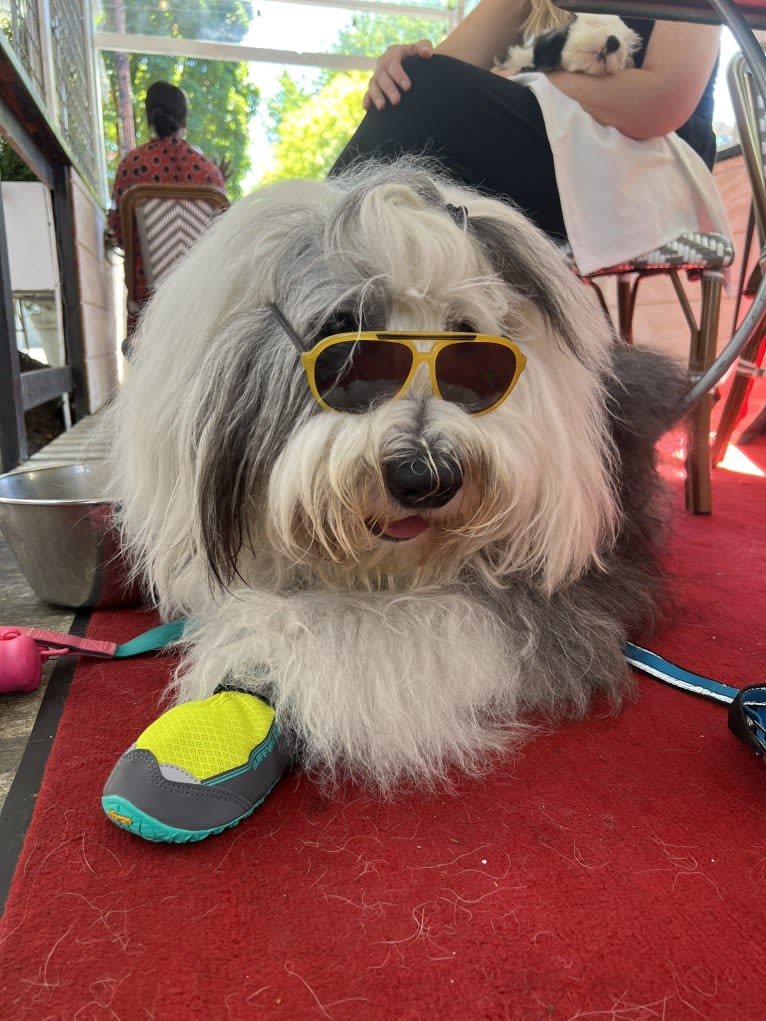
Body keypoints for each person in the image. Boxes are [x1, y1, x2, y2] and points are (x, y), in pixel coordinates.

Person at [331, 0, 728, 277]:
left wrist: (530, 83)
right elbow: (442, 70)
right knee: (415, 84)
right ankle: (327, 264)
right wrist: (403, 66)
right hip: (562, 151)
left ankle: (312, 267)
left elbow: (662, 102)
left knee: (421, 99)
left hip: (654, 163)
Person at [107, 81, 228, 339]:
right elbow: (222, 242)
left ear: (148, 116)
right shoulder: (210, 174)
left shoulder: (131, 166)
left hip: (149, 303)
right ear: (184, 119)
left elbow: (119, 235)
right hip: (200, 302)